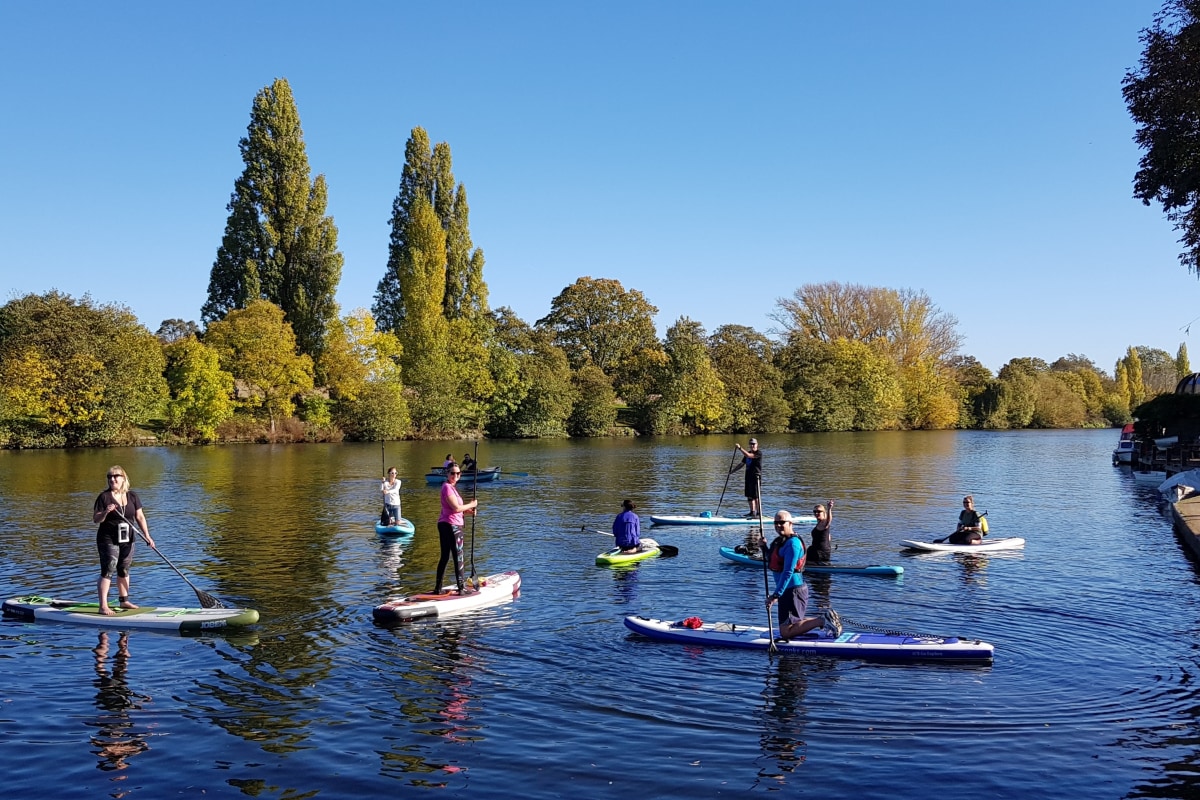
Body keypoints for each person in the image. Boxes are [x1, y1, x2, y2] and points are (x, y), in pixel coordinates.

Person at [763, 510, 841, 640]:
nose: (778, 526)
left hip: (792, 591)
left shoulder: (793, 544)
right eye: (776, 523)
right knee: (789, 627)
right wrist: (764, 547)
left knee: (786, 632)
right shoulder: (781, 541)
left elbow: (788, 572)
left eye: (782, 522)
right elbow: (773, 560)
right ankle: (825, 619)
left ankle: (822, 621)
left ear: (790, 523)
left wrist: (776, 595)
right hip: (787, 591)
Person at [91, 466, 155, 616]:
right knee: (108, 569)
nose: (112, 479)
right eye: (109, 477)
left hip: (128, 538)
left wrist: (147, 535)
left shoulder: (133, 496)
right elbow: (96, 519)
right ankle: (103, 606)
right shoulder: (104, 497)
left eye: (115, 476)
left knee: (124, 569)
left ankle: (124, 600)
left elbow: (139, 517)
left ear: (123, 478)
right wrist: (106, 511)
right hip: (108, 539)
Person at [434, 465, 478, 595]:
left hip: (446, 524)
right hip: (451, 526)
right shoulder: (447, 487)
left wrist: (469, 512)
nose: (455, 476)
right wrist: (472, 504)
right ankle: (461, 588)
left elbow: (455, 509)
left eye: (458, 473)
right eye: (453, 473)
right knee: (458, 556)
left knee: (445, 557)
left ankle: (438, 588)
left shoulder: (452, 488)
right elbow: (455, 508)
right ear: (447, 473)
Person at [734, 439, 764, 518]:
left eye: (754, 444)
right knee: (749, 496)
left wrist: (740, 448)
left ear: (757, 444)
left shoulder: (758, 453)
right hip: (748, 477)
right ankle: (752, 512)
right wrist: (732, 471)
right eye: (751, 444)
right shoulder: (748, 453)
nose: (752, 445)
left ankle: (758, 513)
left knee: (756, 496)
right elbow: (741, 464)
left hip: (756, 477)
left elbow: (748, 456)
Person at [809, 500, 834, 564]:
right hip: (821, 552)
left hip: (819, 553)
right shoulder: (820, 523)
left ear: (823, 513)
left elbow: (829, 520)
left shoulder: (824, 523)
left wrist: (829, 509)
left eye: (819, 511)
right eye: (815, 511)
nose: (816, 513)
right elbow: (828, 538)